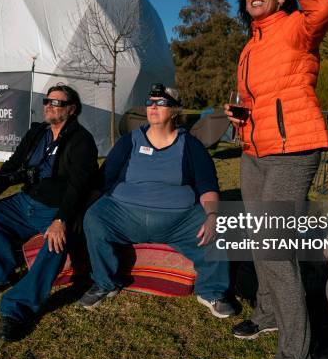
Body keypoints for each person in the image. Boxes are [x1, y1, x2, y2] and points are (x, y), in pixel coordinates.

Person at [225, 0, 328, 359]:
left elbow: (325, 4)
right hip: (255, 151)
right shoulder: (250, 44)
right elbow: (259, 100)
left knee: (275, 250)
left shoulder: (296, 27)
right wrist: (241, 117)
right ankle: (267, 312)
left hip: (294, 150)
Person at [79, 84, 236, 318]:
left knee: (218, 227)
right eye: (150, 101)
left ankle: (211, 291)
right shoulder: (129, 141)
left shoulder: (191, 145)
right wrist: (83, 209)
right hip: (124, 215)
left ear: (174, 110)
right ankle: (105, 283)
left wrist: (212, 216)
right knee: (94, 218)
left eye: (161, 103)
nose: (153, 106)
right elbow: (105, 178)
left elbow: (207, 186)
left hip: (178, 221)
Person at [0, 84, 98, 342]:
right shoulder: (37, 132)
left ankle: (17, 309)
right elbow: (13, 165)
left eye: (56, 103)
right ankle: (1, 274)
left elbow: (79, 186)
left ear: (72, 109)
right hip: (25, 201)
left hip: (56, 208)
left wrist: (61, 220)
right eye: (47, 101)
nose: (49, 106)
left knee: (55, 243)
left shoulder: (81, 141)